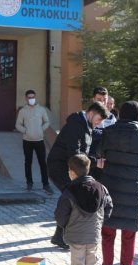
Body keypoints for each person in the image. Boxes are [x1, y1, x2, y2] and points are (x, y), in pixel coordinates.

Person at [97, 101, 138, 265]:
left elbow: (100, 154)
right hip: (133, 192)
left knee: (108, 234)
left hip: (111, 189)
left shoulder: (109, 132)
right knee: (129, 235)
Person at [46, 101, 109, 249]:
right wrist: (95, 162)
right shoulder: (76, 125)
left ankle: (59, 236)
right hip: (61, 167)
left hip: (70, 167)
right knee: (72, 199)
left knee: (71, 199)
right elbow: (74, 155)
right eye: (99, 119)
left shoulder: (85, 125)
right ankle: (60, 236)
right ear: (91, 114)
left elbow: (82, 152)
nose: (99, 124)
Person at [55, 154, 112, 265]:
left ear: (72, 172)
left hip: (76, 236)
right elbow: (109, 208)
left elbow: (60, 216)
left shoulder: (69, 191)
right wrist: (99, 223)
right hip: (93, 235)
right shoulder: (101, 187)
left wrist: (67, 226)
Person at [15, 89, 53, 193]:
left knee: (42, 163)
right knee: (28, 162)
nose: (31, 99)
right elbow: (18, 124)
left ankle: (46, 184)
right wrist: (25, 130)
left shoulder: (41, 110)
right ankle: (29, 183)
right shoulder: (23, 111)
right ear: (26, 98)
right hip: (27, 140)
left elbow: (47, 122)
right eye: (29, 97)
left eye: (33, 97)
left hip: (39, 140)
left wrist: (41, 129)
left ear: (35, 97)